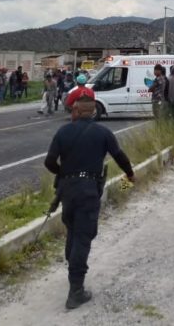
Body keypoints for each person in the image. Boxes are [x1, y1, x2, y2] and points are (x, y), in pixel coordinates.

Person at [44, 96, 135, 310]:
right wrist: (130, 175)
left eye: (72, 110)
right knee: (84, 236)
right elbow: (119, 156)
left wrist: (64, 173)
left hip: (67, 190)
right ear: (93, 112)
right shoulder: (103, 133)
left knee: (73, 230)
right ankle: (75, 291)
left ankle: (73, 268)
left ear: (76, 110)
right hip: (88, 190)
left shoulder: (63, 132)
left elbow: (49, 162)